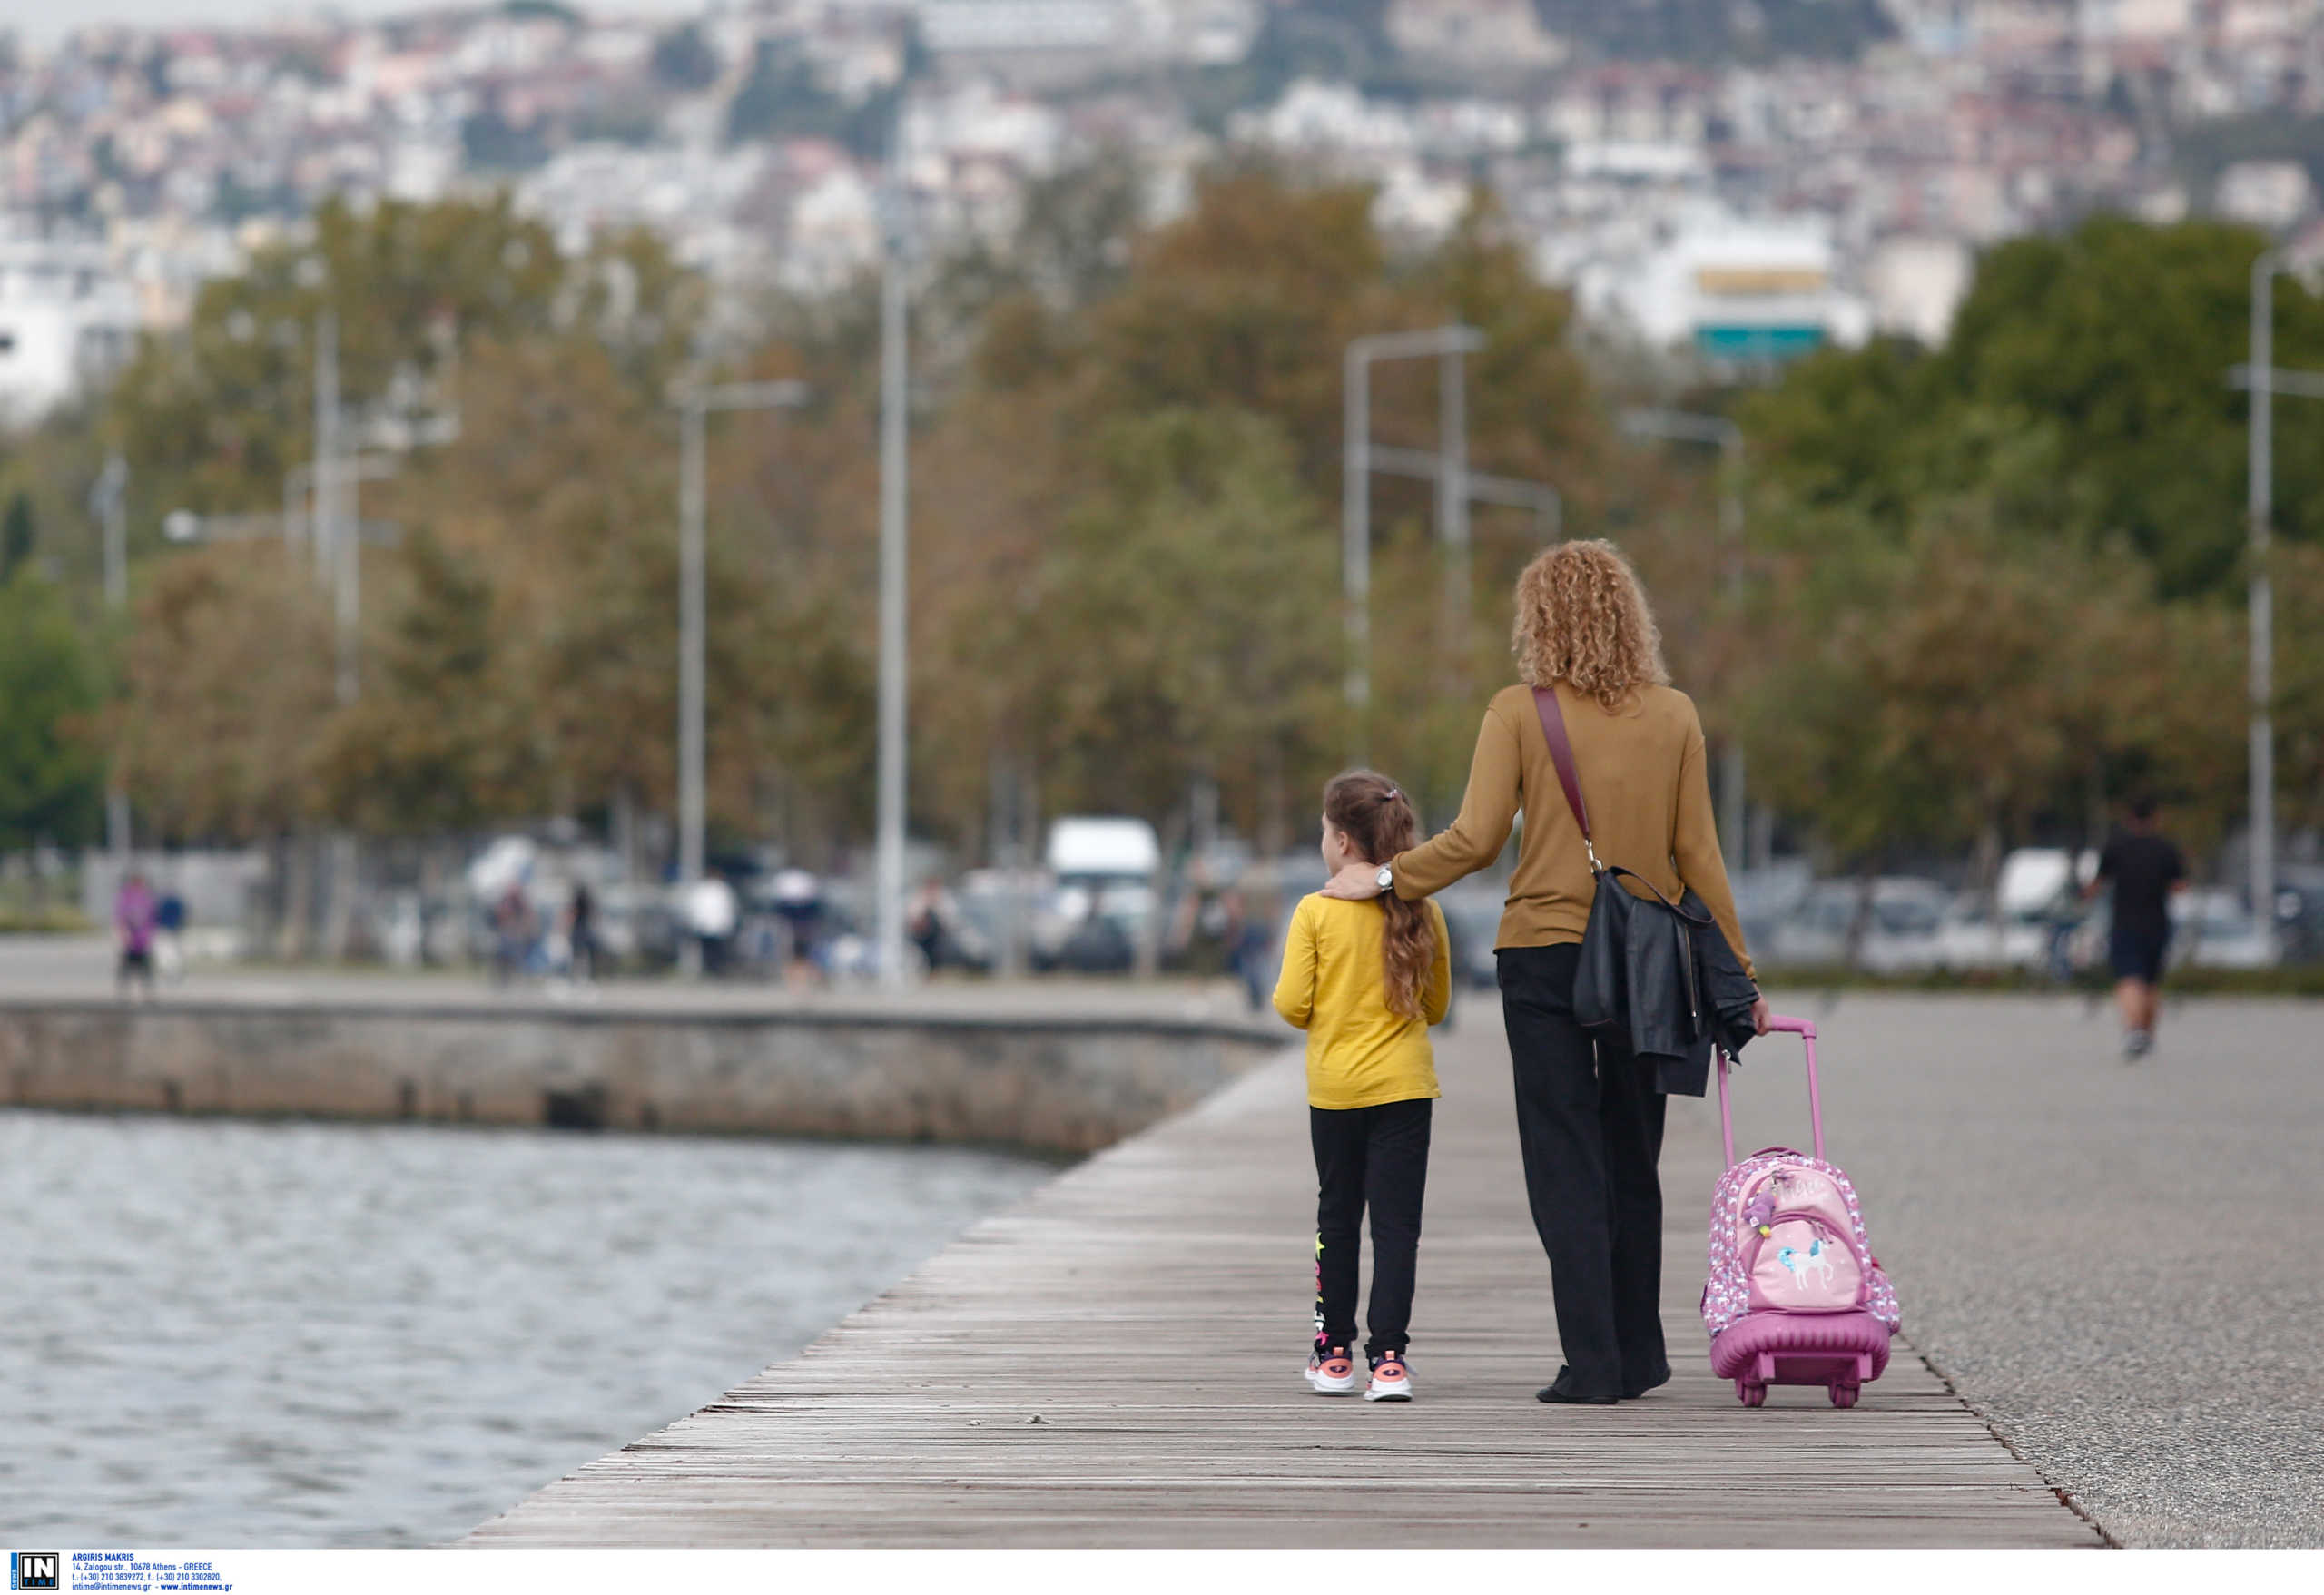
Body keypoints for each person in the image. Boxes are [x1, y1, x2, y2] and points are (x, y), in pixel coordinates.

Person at [1322, 539, 1768, 1406]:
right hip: (1648, 965)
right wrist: (1738, 974)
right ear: (1628, 616)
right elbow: (1699, 853)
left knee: (1565, 1159)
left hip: (1545, 960)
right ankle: (1641, 1356)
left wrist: (1381, 877)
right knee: (1633, 1157)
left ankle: (1591, 1362)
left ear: (1538, 621)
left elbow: (1476, 839)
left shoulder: (1518, 712)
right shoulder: (1675, 715)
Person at [1275, 771, 1452, 1404]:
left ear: (1344, 841)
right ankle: (1391, 1360)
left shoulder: (1314, 912)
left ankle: (1334, 1353)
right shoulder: (1424, 909)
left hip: (1337, 1093)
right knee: (1398, 1227)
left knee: (1338, 1218)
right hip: (1405, 1089)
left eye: (1325, 831)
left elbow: (1292, 1005)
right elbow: (1436, 1004)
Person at [2086, 798, 2186, 1060]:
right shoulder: (2166, 849)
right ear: (2156, 819)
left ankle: (2134, 1031)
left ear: (2129, 819)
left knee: (2130, 979)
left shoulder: (2117, 847)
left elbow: (2096, 885)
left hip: (2125, 923)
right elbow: (2180, 887)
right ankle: (2147, 1035)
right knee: (2151, 982)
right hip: (2157, 923)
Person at [113, 871, 158, 1000]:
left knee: (145, 968)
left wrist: (150, 935)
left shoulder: (146, 897)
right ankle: (124, 993)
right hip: (130, 939)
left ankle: (148, 994)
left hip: (142, 939)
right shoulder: (126, 897)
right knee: (127, 967)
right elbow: (121, 916)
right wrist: (124, 933)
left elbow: (152, 918)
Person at [566, 881, 597, 984]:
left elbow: (573, 913)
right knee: (583, 954)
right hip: (584, 928)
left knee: (577, 954)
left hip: (579, 928)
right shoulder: (587, 899)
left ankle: (576, 977)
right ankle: (583, 977)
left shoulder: (578, 899)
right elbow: (592, 914)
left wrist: (567, 926)